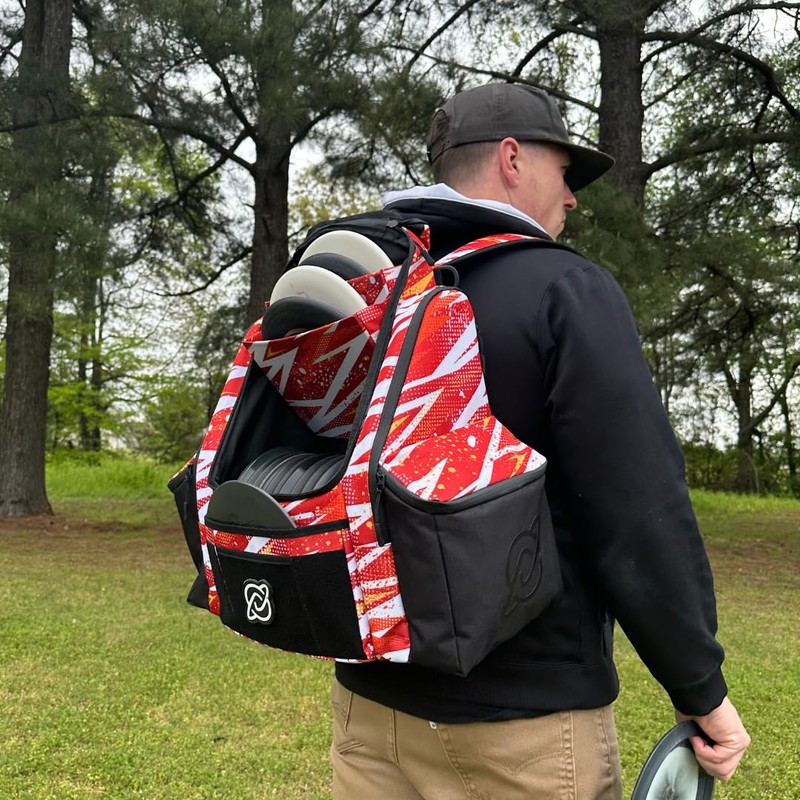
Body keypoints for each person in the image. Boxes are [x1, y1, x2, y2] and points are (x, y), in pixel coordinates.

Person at [330, 83, 751, 799]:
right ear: (514, 158)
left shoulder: (369, 287)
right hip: (520, 732)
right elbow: (637, 510)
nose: (575, 198)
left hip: (369, 713)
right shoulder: (565, 291)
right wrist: (700, 689)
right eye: (566, 172)